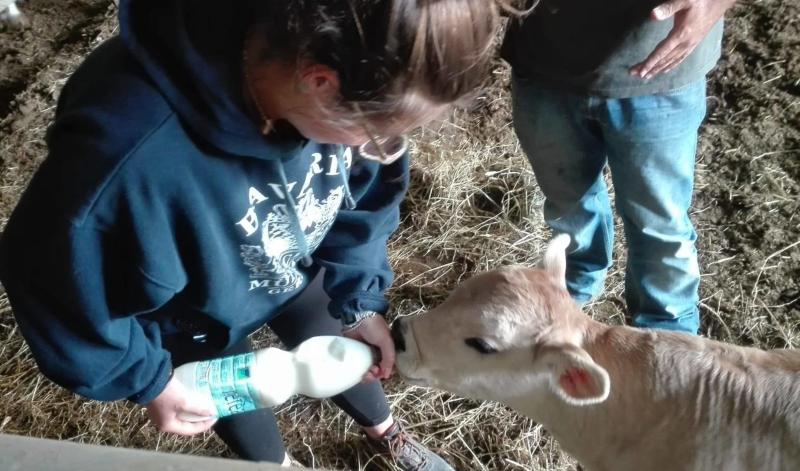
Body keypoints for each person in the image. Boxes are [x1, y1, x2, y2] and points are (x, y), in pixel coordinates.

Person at [0, 0, 501, 468]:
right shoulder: (126, 158)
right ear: (321, 83)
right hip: (194, 310)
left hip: (290, 264)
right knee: (236, 396)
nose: (384, 144)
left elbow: (366, 195)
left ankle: (386, 432)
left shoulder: (356, 76)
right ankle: (274, 464)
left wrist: (361, 297)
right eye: (375, 131)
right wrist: (148, 381)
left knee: (342, 346)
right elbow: (52, 277)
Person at [503, 0, 736, 334]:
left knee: (659, 222)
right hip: (543, 59)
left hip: (659, 65)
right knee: (567, 202)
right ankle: (571, 286)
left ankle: (667, 331)